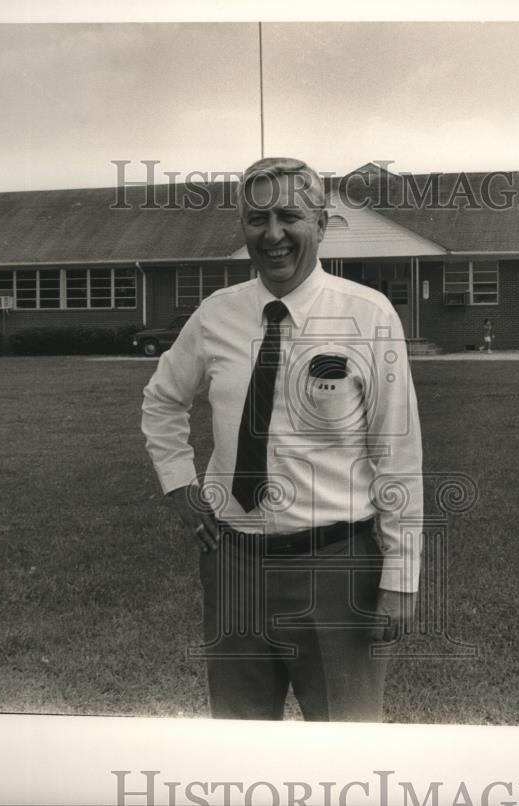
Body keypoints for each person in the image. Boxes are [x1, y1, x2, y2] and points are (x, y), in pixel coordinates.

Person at [141, 157, 423, 722]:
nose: (273, 235)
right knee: (239, 744)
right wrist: (180, 486)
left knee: (348, 746)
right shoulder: (216, 315)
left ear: (321, 223)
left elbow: (398, 452)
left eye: (289, 216)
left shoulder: (367, 316)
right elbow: (162, 400)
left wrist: (400, 575)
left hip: (338, 569)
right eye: (256, 219)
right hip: (233, 567)